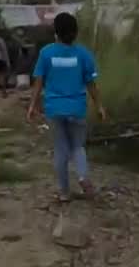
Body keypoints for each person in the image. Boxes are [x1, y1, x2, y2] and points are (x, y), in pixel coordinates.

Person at [27, 12, 107, 202]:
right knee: (78, 146)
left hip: (54, 109)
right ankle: (82, 176)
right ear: (76, 33)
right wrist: (100, 106)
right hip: (77, 108)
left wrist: (33, 105)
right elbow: (91, 84)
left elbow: (39, 81)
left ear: (56, 33)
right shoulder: (83, 54)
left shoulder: (46, 53)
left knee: (61, 149)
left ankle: (64, 192)